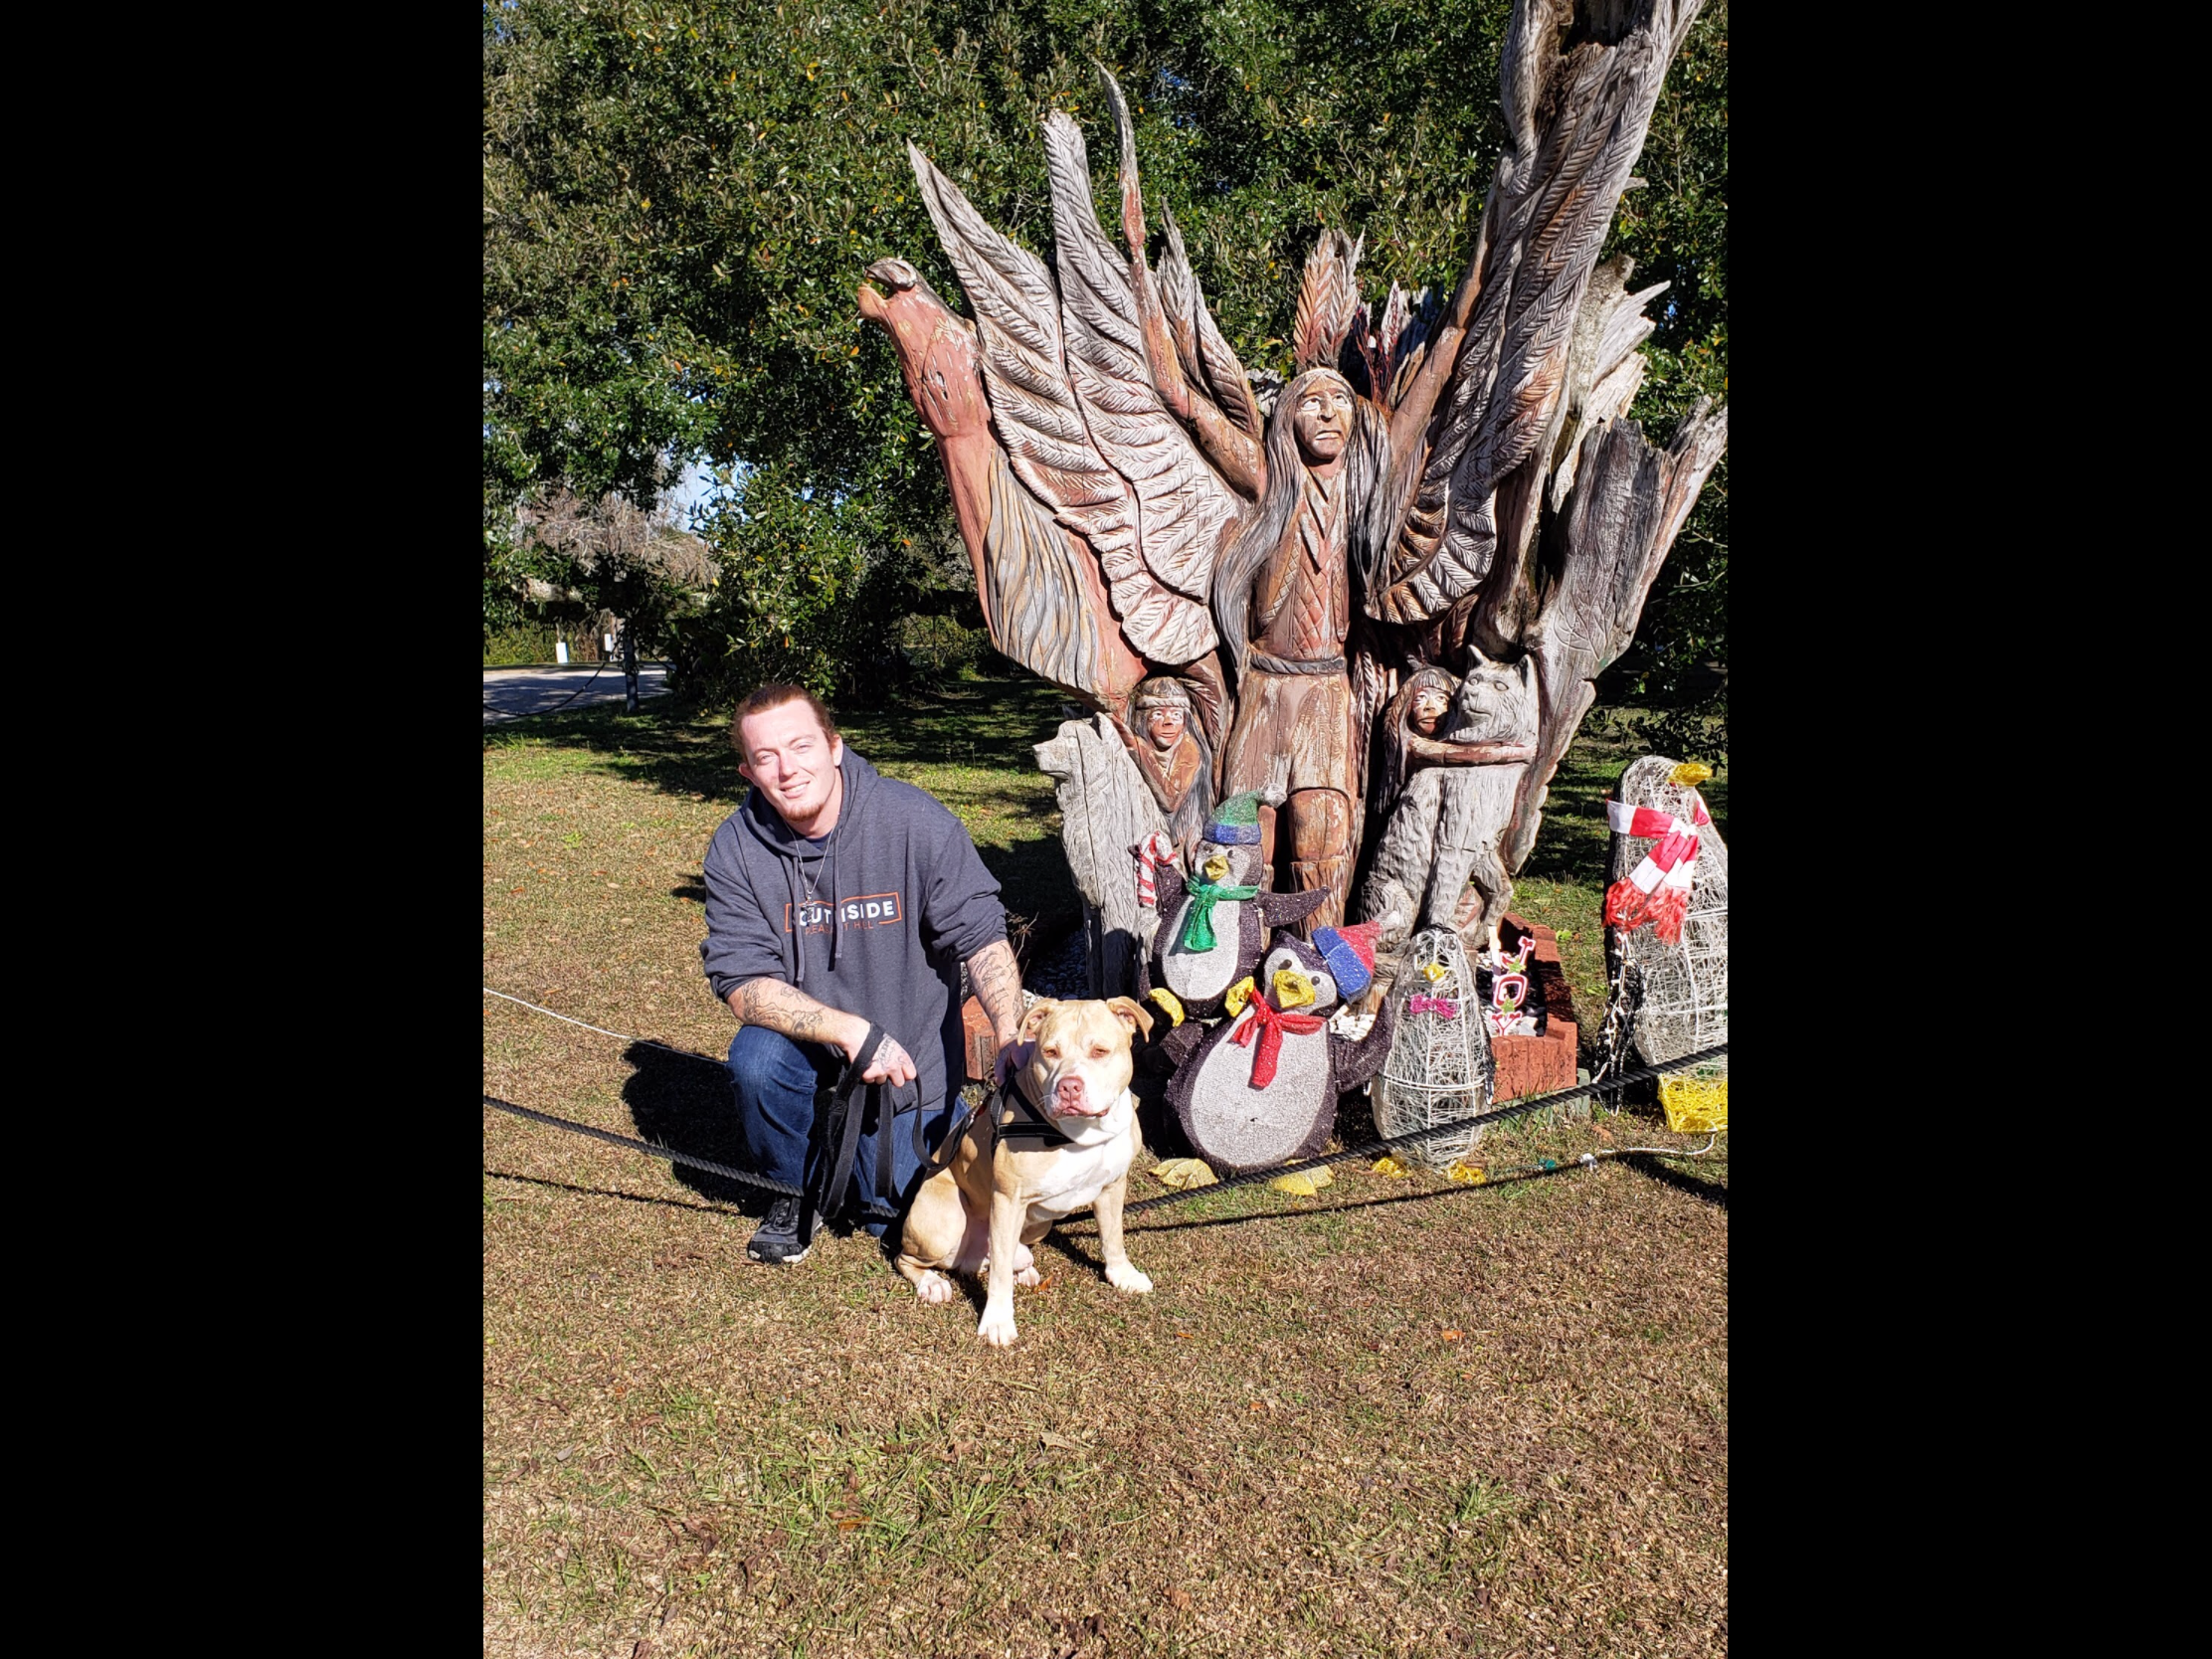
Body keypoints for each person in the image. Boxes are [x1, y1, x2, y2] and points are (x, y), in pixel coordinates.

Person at [699, 682, 1026, 1264]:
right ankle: (790, 1189)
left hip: (910, 1057)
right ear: (748, 772)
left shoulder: (914, 822)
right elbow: (743, 985)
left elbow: (981, 936)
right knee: (755, 1060)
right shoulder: (735, 849)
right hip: (810, 1043)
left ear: (834, 747)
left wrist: (1009, 1032)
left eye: (800, 746)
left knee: (892, 1217)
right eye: (765, 757)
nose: (788, 769)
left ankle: (896, 1140)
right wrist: (850, 1032)